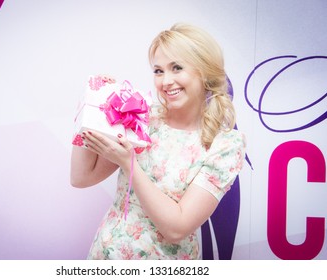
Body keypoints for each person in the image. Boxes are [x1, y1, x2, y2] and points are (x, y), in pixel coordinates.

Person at [70, 23, 246, 260]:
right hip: (106, 255)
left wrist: (130, 163)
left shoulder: (225, 145)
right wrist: (93, 110)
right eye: (158, 71)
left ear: (204, 71)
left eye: (177, 68)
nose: (165, 81)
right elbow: (81, 177)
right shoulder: (143, 117)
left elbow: (177, 228)